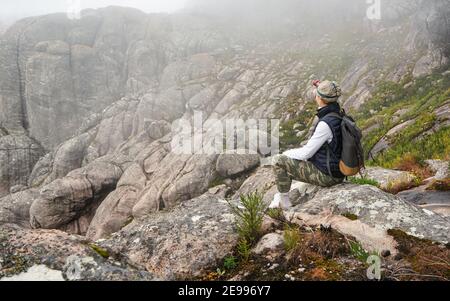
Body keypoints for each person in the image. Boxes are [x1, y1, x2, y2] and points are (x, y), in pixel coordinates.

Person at [269, 80, 346, 209]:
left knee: (278, 161)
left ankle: (285, 203)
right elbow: (330, 96)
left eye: (317, 94)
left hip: (328, 176)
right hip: (337, 170)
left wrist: (286, 154)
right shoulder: (338, 113)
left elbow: (306, 153)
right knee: (287, 165)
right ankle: (282, 196)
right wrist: (322, 87)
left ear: (320, 98)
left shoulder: (325, 124)